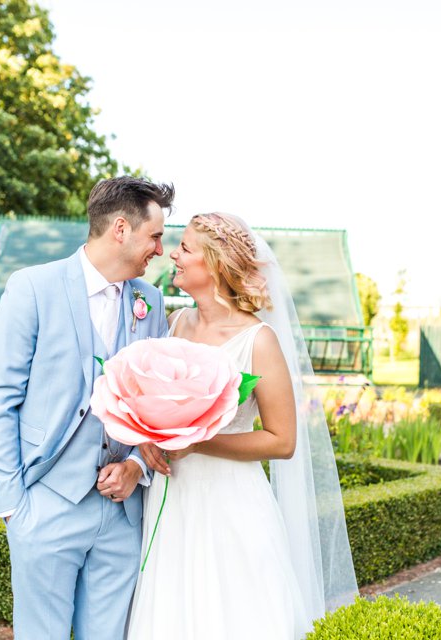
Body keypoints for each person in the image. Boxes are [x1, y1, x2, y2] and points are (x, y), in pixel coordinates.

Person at [129, 213, 358, 639]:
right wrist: (147, 436)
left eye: (185, 248)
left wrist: (198, 443)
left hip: (230, 502)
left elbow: (282, 440)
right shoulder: (175, 324)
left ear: (215, 264)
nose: (173, 254)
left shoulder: (259, 340)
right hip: (173, 495)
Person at [0, 176, 174, 640]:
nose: (160, 250)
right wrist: (14, 507)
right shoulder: (32, 288)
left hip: (122, 513)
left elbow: (159, 403)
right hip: (46, 503)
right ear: (120, 229)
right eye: (155, 236)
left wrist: (138, 465)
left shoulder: (149, 301)